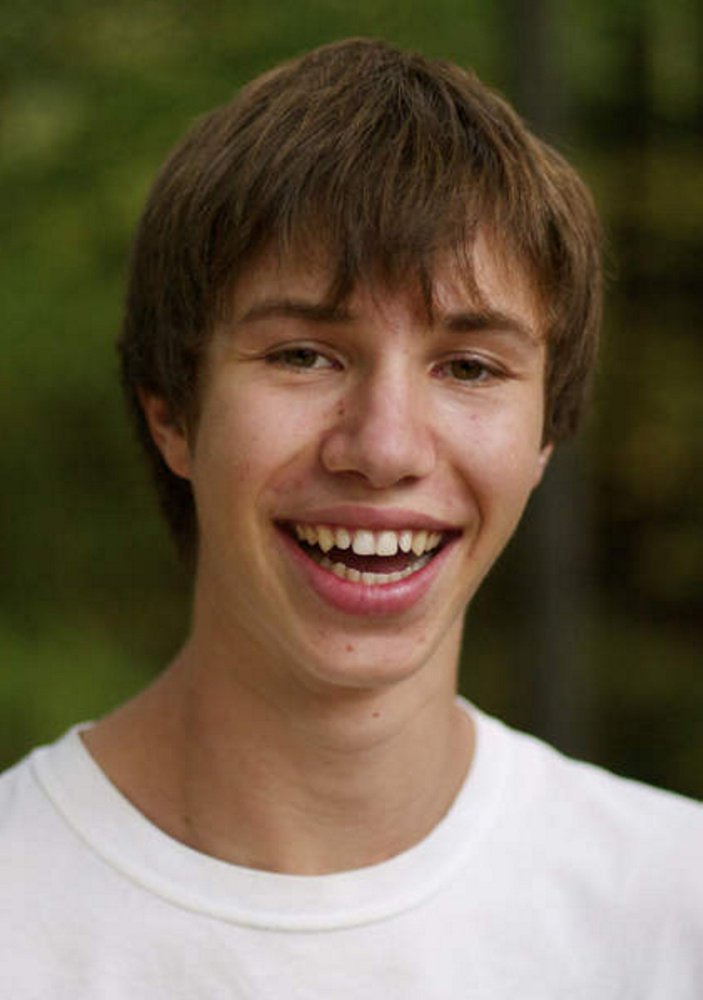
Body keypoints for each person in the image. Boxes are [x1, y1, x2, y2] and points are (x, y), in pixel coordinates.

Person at [1, 38, 701, 999]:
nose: (383, 447)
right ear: (169, 411)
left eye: (469, 368)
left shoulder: (671, 910)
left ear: (546, 435)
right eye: (304, 355)